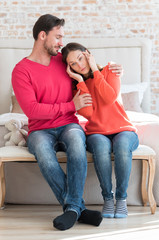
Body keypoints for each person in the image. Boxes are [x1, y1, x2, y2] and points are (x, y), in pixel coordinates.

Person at [11, 14, 103, 231]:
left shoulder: (63, 61)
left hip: (68, 124)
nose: (62, 42)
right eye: (58, 37)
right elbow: (32, 110)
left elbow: (88, 72)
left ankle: (71, 210)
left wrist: (111, 69)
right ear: (43, 35)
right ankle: (77, 208)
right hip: (40, 129)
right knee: (43, 151)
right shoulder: (21, 70)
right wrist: (72, 105)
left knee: (77, 143)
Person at [62, 42, 139, 218]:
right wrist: (81, 82)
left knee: (122, 146)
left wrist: (95, 71)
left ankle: (121, 199)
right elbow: (89, 113)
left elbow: (109, 98)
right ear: (69, 68)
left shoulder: (110, 70)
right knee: (101, 148)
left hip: (123, 128)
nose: (79, 65)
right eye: (73, 63)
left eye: (80, 58)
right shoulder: (76, 89)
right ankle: (107, 198)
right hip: (96, 131)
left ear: (88, 54)